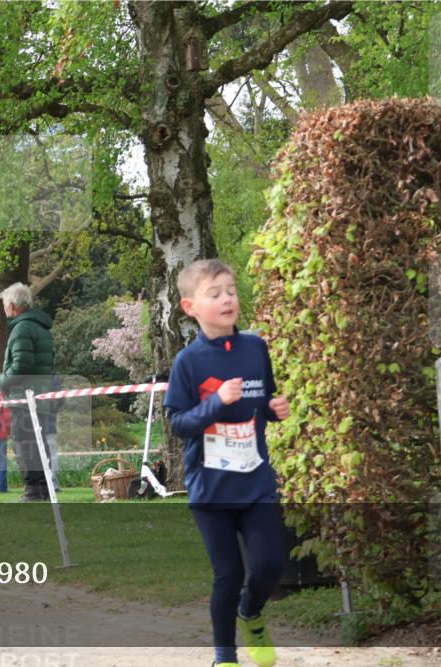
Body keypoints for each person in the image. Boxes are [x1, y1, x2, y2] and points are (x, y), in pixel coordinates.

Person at [163, 259, 290, 667]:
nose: (227, 299)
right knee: (228, 575)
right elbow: (179, 423)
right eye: (214, 293)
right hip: (211, 488)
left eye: (231, 290)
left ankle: (250, 613)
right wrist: (216, 403)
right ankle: (225, 657)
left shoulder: (255, 348)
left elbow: (261, 402)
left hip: (255, 483)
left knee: (271, 564)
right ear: (190, 307)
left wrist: (274, 408)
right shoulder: (188, 362)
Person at [0, 283, 56, 502]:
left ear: (12, 306)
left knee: (23, 443)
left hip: (24, 397)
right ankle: (44, 488)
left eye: (4, 305)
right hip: (40, 395)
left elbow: (22, 364)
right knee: (38, 443)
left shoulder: (21, 328)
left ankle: (33, 490)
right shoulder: (40, 328)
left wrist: (3, 381)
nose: (4, 309)